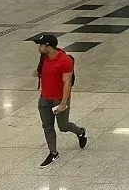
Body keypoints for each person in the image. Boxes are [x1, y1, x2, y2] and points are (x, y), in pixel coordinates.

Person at [32, 34, 87, 168]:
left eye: (41, 45)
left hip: (59, 99)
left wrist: (63, 103)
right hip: (44, 98)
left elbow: (67, 83)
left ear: (48, 46)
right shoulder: (44, 57)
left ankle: (80, 132)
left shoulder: (65, 60)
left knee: (63, 126)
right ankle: (53, 152)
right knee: (47, 126)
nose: (39, 47)